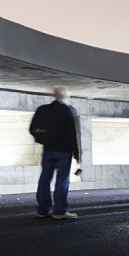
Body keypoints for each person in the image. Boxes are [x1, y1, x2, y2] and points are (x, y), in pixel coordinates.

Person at [30, 87, 81, 220]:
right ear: (65, 97)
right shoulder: (66, 111)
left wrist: (44, 139)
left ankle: (42, 210)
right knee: (62, 181)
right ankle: (60, 211)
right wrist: (76, 153)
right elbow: (72, 133)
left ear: (54, 95)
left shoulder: (43, 109)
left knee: (44, 180)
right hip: (64, 151)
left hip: (48, 150)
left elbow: (32, 129)